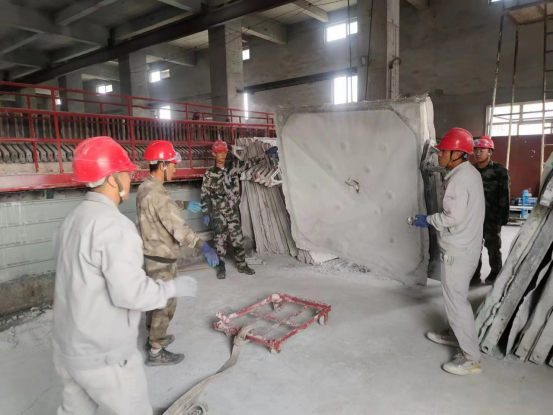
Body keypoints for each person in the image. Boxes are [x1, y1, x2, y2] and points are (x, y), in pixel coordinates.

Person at [52, 136, 198, 415]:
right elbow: (132, 294)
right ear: (111, 178)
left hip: (68, 350)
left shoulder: (72, 220)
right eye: (125, 173)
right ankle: (156, 347)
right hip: (104, 355)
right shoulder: (115, 227)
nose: (130, 179)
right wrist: (172, 288)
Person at [137, 140, 219, 367]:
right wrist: (204, 246)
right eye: (173, 164)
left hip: (151, 254)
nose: (175, 168)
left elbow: (162, 208)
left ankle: (152, 339)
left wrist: (182, 203)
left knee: (155, 299)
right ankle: (157, 350)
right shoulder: (158, 195)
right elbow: (179, 230)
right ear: (162, 165)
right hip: (161, 258)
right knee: (165, 304)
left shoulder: (146, 187)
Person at [412, 128, 485, 376]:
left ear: (457, 154)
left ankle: (470, 358)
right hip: (467, 246)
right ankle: (455, 334)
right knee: (457, 298)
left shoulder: (459, 179)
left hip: (458, 250)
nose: (440, 155)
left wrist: (427, 219)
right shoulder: (468, 173)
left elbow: (452, 217)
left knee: (456, 302)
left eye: (444, 151)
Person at [201, 139, 261, 279]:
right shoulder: (209, 174)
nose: (222, 155)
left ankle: (242, 265)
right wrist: (205, 213)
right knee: (219, 240)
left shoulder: (233, 167)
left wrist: (264, 156)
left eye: (224, 152)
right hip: (218, 213)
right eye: (219, 152)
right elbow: (205, 195)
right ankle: (220, 267)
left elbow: (249, 163)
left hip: (232, 211)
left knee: (237, 238)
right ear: (214, 154)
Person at [470, 136, 510, 286]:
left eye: (482, 150)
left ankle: (496, 271)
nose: (478, 153)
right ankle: (474, 274)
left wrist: (503, 217)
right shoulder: (470, 171)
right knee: (473, 247)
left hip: (492, 217)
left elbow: (504, 194)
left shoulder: (499, 171)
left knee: (493, 247)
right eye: (476, 150)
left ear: (490, 152)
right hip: (473, 217)